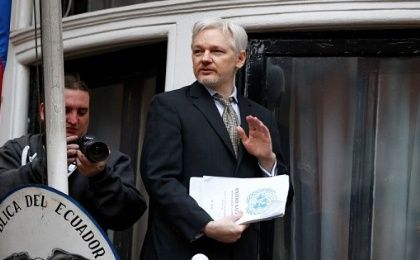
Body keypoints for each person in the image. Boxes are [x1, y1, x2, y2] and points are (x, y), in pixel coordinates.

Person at [140, 19, 291, 260]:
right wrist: (206, 225)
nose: (205, 58)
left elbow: (284, 195)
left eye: (216, 51)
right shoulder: (169, 106)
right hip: (182, 250)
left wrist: (266, 159)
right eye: (198, 51)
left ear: (240, 59)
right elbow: (159, 178)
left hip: (239, 252)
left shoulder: (262, 117)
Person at [0, 74, 147, 231]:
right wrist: (42, 168)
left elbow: (129, 215)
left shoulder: (107, 159)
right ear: (43, 111)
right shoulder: (18, 149)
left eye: (82, 112)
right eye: (66, 110)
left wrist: (101, 177)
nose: (74, 120)